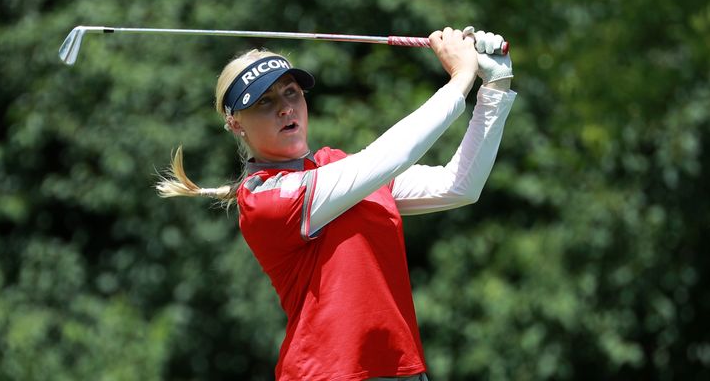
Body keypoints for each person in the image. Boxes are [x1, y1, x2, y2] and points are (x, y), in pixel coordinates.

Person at [157, 26, 516, 381]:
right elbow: (390, 156)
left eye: (291, 93)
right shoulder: (265, 198)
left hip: (400, 370)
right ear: (236, 124)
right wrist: (460, 79)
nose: (285, 108)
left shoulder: (338, 167)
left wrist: (495, 86)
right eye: (265, 101)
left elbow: (458, 186)